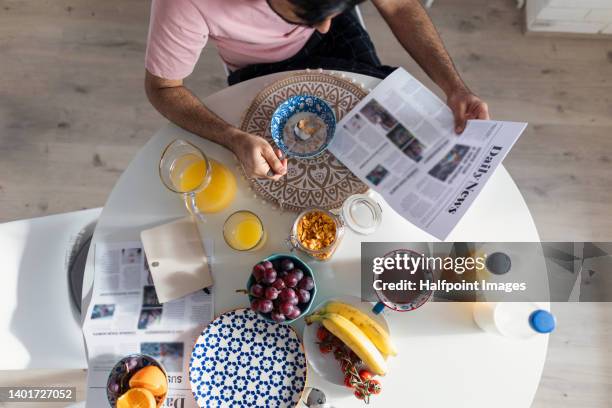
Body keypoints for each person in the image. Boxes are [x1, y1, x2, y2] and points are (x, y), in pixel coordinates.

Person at [144, 0, 490, 181]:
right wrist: (231, 137)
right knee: (283, 177)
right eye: (307, 15)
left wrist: (453, 86)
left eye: (333, 10)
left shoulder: (328, 19)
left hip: (345, 41)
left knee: (394, 150)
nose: (323, 27)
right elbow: (163, 87)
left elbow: (398, 5)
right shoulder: (184, 2)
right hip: (260, 69)